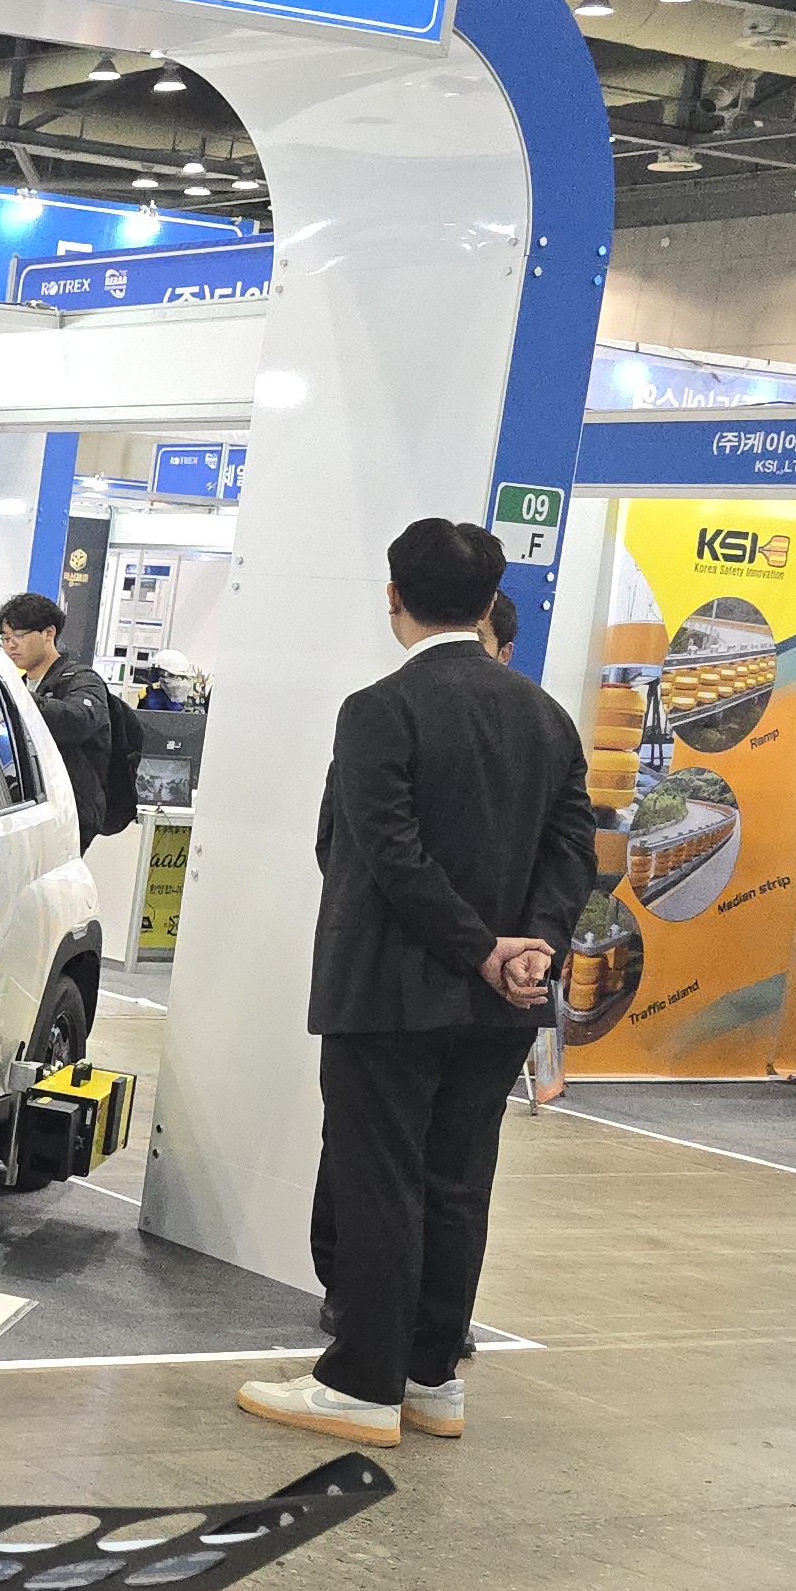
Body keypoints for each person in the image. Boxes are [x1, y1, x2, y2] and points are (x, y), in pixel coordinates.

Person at [243, 519, 591, 1452]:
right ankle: (431, 1378)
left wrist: (478, 947)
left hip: (388, 990)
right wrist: (533, 948)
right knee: (458, 1182)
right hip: (503, 1002)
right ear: (489, 604)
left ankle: (360, 1383)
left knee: (379, 1181)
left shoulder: (379, 709)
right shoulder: (547, 717)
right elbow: (573, 852)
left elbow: (382, 854)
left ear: (393, 596)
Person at [0, 590, 123, 851]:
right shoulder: (20, 683)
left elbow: (78, 721)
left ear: (49, 633)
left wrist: (20, 698)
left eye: (19, 635)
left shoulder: (81, 680)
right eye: (5, 638)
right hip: (28, 807)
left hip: (70, 811)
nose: (10, 645)